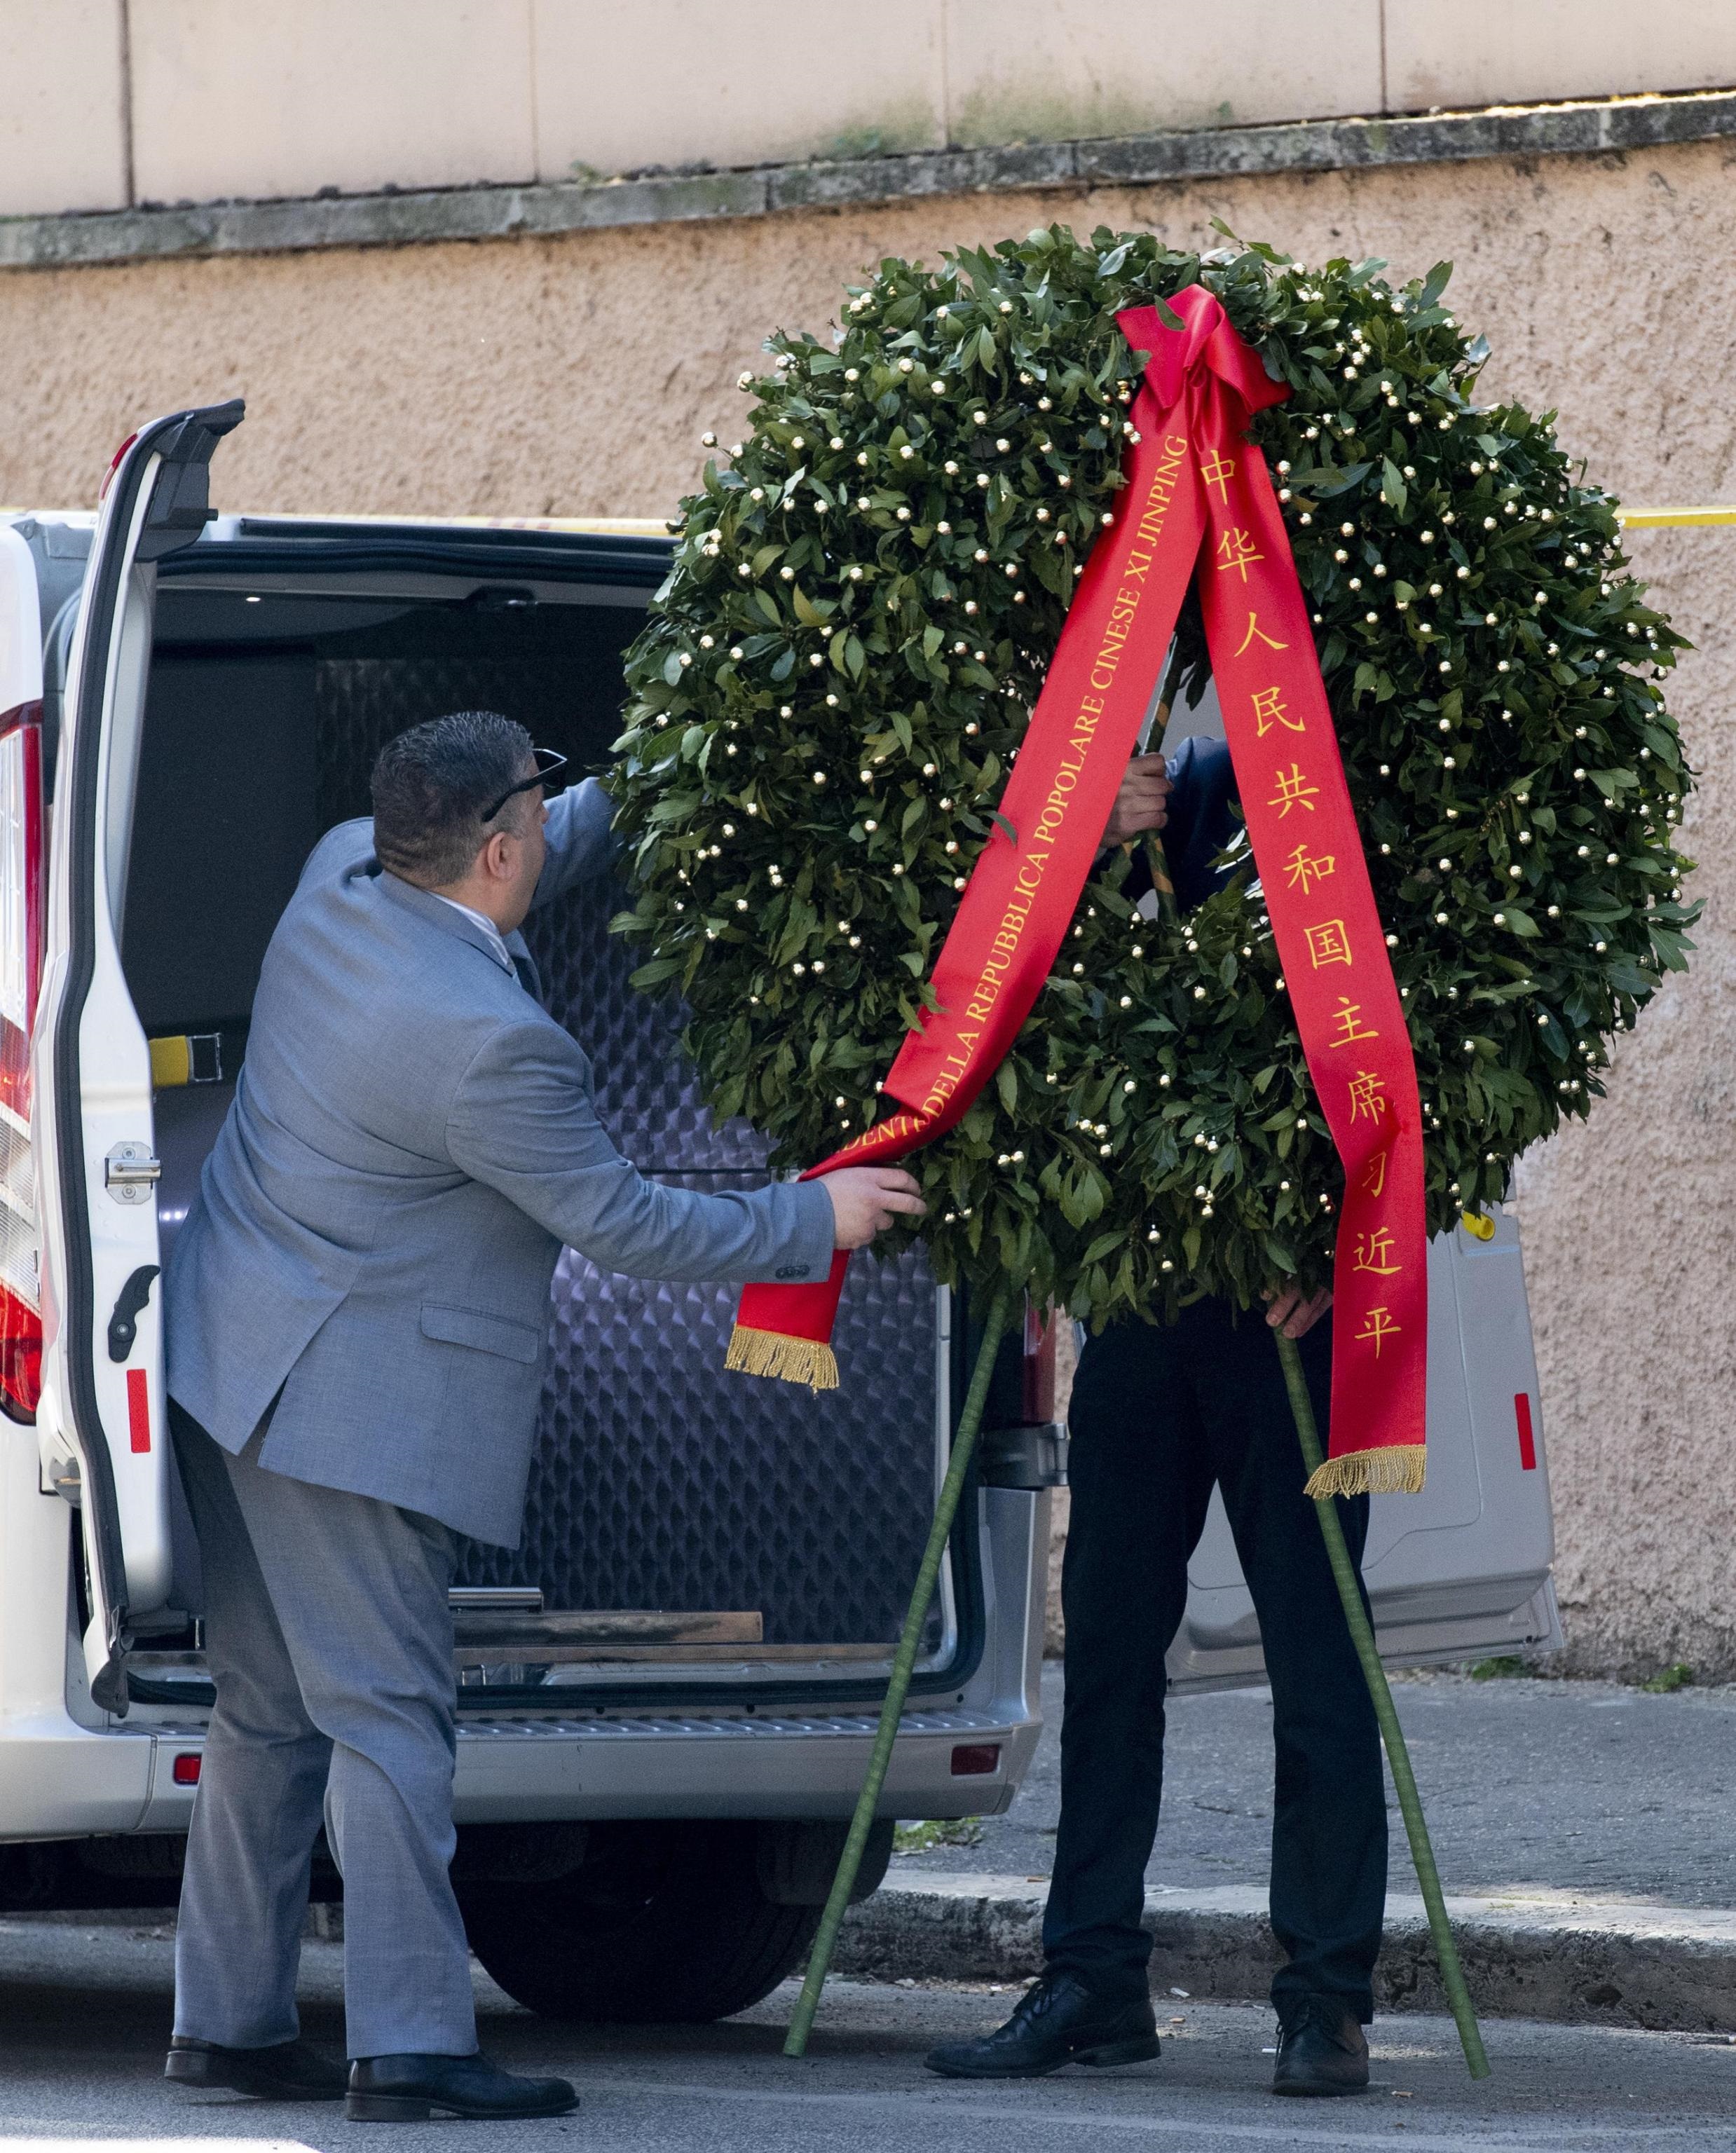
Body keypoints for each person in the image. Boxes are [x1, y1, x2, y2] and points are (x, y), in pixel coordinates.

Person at [161, 711, 924, 2124]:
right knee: (392, 1719)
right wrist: (815, 1216)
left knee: (267, 1708)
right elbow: (626, 1222)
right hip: (346, 1405)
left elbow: (561, 836)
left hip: (231, 1353)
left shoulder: (345, 872)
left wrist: (698, 747)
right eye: (543, 792)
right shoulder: (488, 1047)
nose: (556, 812)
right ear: (496, 842)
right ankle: (409, 2047)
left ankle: (230, 2024)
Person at [926, 732, 1385, 2100]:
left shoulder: (1326, 767)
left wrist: (1342, 1231)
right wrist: (1076, 847)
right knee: (1112, 1645)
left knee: (1317, 1661)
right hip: (1138, 1296)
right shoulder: (1136, 790)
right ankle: (1092, 1980)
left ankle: (1326, 1997)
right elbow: (1033, 1009)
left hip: (1287, 1311)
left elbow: (1396, 1033)